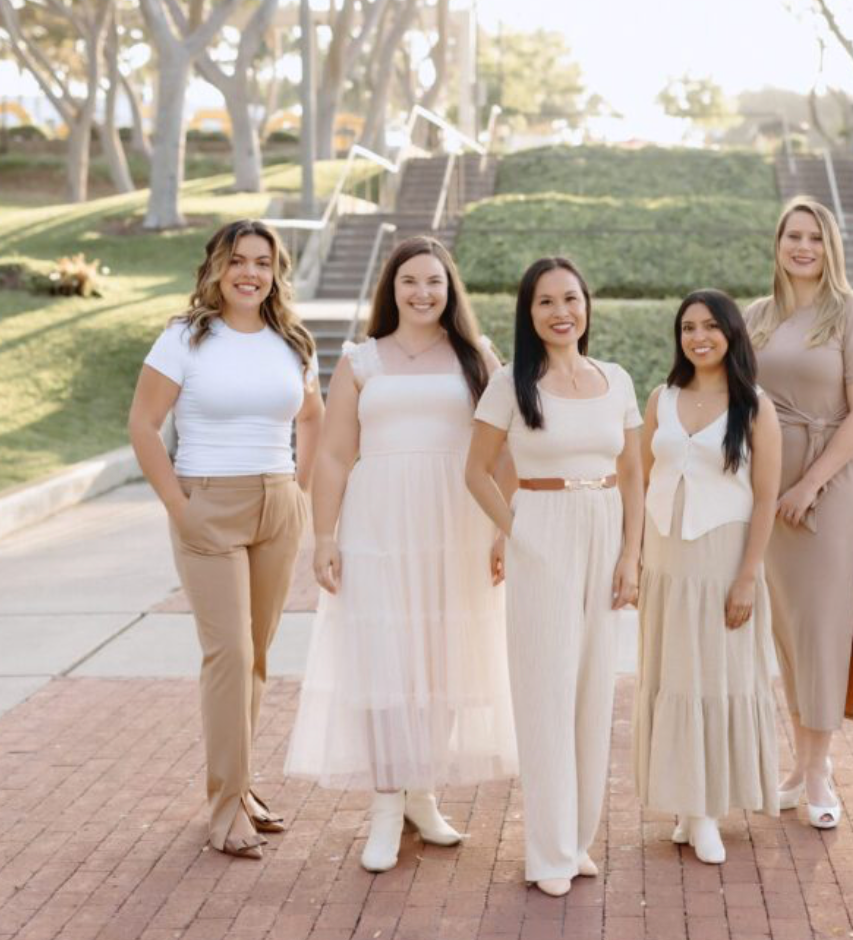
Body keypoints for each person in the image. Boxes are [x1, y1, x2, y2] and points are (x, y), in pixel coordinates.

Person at [284, 237, 517, 872]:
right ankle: (386, 808)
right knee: (387, 662)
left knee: (443, 661)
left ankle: (423, 795)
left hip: (457, 522)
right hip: (379, 521)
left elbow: (505, 451)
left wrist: (503, 528)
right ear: (392, 289)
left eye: (434, 282)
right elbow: (333, 454)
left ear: (450, 289)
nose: (422, 293)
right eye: (410, 281)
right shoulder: (362, 360)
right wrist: (324, 536)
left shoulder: (478, 357)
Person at [127, 219, 322, 859]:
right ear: (216, 267)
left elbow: (313, 416)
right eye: (238, 260)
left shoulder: (292, 339)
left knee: (258, 656)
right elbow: (144, 426)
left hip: (276, 501)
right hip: (207, 501)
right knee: (230, 655)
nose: (250, 273)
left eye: (262, 263)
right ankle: (224, 807)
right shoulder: (185, 337)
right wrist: (179, 508)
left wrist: (303, 488)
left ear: (276, 272)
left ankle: (239, 789)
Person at [464, 257, 644, 898]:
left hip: (604, 530)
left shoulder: (615, 379)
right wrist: (516, 532)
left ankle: (576, 840)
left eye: (571, 298)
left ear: (586, 306)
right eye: (546, 302)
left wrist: (631, 553)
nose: (561, 311)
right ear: (529, 313)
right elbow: (477, 472)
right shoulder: (513, 383)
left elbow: (632, 475)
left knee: (595, 689)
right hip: (542, 529)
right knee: (545, 693)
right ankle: (546, 853)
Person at [746, 197, 853, 830]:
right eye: (791, 236)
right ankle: (798, 767)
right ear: (777, 243)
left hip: (829, 485)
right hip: (765, 483)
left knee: (823, 626)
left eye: (814, 237)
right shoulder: (756, 316)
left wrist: (810, 486)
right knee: (785, 627)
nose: (802, 247)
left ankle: (820, 767)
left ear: (831, 247)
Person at [634, 290, 781, 865]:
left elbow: (766, 497)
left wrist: (748, 577)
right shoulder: (661, 399)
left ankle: (706, 811)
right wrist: (636, 557)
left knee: (714, 677)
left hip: (723, 559)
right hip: (666, 562)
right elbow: (642, 479)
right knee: (672, 676)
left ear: (732, 333)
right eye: (688, 327)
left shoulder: (755, 406)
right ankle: (686, 805)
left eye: (711, 327)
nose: (699, 337)